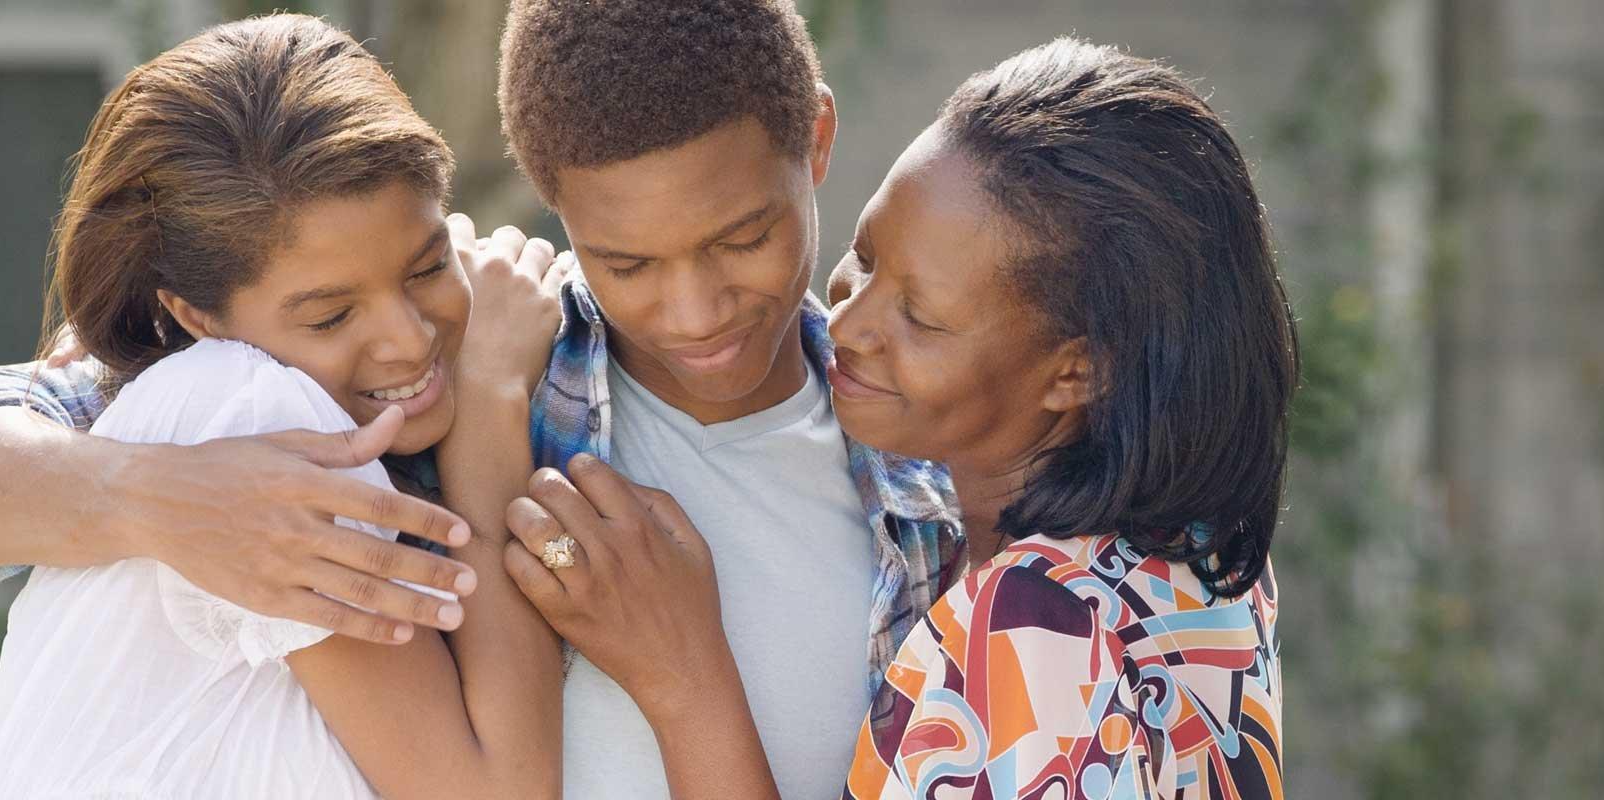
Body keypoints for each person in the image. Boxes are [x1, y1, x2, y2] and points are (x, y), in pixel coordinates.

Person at [0, 1, 959, 795]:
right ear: (551, 202)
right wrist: (158, 499)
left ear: (815, 142)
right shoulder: (432, 361)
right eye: (627, 261)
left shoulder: (931, 473)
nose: (696, 304)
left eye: (745, 237)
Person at [498, 38, 1292, 799]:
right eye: (869, 258)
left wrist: (684, 678)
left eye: (919, 316)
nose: (847, 325)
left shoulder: (1041, 622)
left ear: (1076, 369)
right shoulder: (1209, 572)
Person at [0, 15, 565, 798]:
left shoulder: (195, 404)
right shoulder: (246, 407)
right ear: (197, 318)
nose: (409, 341)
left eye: (426, 267)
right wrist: (489, 401)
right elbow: (497, 791)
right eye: (330, 317)